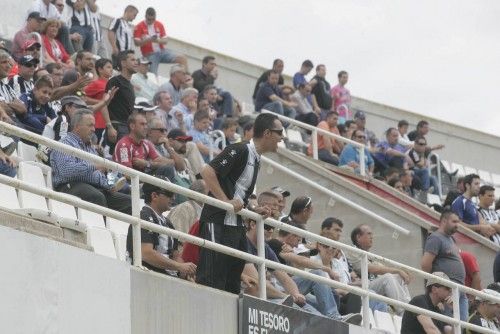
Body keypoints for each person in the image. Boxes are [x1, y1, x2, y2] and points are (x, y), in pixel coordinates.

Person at [196, 112, 284, 294]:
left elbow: (238, 194)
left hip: (235, 227)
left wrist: (253, 209)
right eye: (279, 132)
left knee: (232, 283)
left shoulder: (256, 158)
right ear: (267, 133)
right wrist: (224, 201)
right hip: (217, 221)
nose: (282, 138)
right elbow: (207, 171)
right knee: (211, 279)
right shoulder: (242, 149)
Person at [266, 223, 362, 324]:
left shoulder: (282, 249)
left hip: (289, 287)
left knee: (331, 297)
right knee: (317, 274)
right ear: (291, 235)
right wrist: (327, 269)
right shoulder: (274, 243)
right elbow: (300, 260)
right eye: (298, 240)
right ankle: (334, 317)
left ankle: (339, 321)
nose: (298, 245)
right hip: (278, 288)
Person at [50, 109, 131, 213]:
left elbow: (96, 175)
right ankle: (101, 229)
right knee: (96, 197)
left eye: (94, 125)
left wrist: (107, 185)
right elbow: (66, 171)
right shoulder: (64, 143)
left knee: (128, 202)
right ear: (77, 126)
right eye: (90, 125)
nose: (94, 129)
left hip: (93, 187)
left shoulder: (89, 147)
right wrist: (95, 166)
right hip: (70, 185)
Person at [126, 178, 197, 277]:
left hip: (166, 277)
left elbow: (175, 255)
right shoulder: (143, 217)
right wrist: (179, 266)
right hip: (148, 276)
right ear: (154, 196)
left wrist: (184, 273)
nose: (173, 198)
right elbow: (146, 253)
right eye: (169, 193)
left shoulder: (167, 222)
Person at [320, 218, 389, 314]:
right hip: (336, 295)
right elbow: (324, 287)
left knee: (379, 299)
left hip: (347, 291)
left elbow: (349, 277)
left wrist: (355, 282)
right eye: (327, 246)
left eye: (334, 247)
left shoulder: (340, 258)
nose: (331, 249)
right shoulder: (316, 259)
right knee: (370, 294)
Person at [347, 224, 412, 315]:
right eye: (369, 234)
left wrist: (401, 271)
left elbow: (382, 268)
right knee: (388, 277)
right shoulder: (352, 251)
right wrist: (397, 270)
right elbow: (371, 268)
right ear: (358, 237)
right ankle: (404, 312)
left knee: (398, 276)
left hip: (371, 286)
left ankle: (409, 307)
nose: (372, 237)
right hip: (362, 286)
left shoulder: (369, 255)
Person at [421, 209, 468, 321]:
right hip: (447, 291)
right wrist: (438, 287)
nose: (457, 225)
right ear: (444, 221)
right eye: (454, 222)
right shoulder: (435, 238)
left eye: (458, 222)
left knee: (461, 327)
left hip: (460, 289)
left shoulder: (451, 239)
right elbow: (425, 265)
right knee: (447, 324)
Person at [113, 113, 176, 179]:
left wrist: (147, 164)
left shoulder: (146, 143)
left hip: (142, 180)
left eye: (146, 124)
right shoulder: (124, 145)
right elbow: (127, 174)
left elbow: (169, 164)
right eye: (142, 124)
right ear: (132, 126)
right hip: (129, 184)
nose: (146, 127)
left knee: (168, 169)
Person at [133, 7, 188, 75]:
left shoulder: (159, 24)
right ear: (145, 16)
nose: (151, 21)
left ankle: (185, 80)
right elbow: (136, 43)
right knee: (152, 75)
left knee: (182, 59)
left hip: (162, 51)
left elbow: (165, 40)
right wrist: (148, 40)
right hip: (150, 54)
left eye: (153, 19)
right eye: (149, 19)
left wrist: (156, 40)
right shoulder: (139, 26)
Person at [452, 174, 497, 238]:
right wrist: (479, 227)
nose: (479, 187)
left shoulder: (472, 204)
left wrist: (487, 228)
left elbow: (483, 222)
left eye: (479, 184)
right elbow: (457, 224)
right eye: (476, 184)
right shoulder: (459, 201)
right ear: (467, 185)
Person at [106, 50, 137, 141]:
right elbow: (104, 104)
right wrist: (109, 126)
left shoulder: (130, 85)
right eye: (132, 60)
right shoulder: (115, 81)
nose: (136, 63)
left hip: (126, 128)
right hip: (117, 127)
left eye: (136, 60)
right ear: (123, 63)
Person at [84, 57, 115, 142]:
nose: (111, 69)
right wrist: (101, 102)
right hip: (97, 123)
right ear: (100, 69)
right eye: (108, 67)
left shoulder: (112, 84)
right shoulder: (96, 83)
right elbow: (82, 97)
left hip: (109, 122)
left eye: (112, 67)